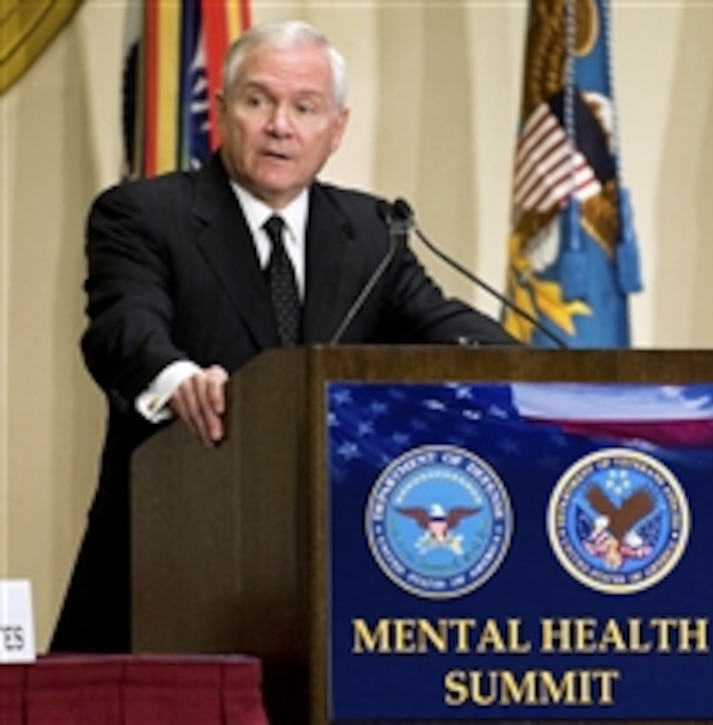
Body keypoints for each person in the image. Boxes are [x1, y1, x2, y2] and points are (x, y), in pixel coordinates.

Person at [52, 20, 514, 654]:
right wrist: (178, 378)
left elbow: (442, 326)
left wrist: (537, 370)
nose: (280, 126)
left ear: (336, 130)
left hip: (335, 578)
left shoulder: (373, 232)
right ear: (221, 110)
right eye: (259, 101)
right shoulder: (143, 214)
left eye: (305, 107)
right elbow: (122, 327)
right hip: (172, 559)